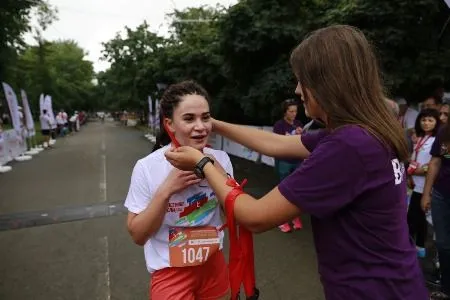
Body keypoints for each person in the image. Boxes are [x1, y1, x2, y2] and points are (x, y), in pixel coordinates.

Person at [165, 25, 429, 299]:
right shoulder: (366, 132)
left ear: (326, 83)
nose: (297, 89)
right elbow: (276, 144)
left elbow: (254, 216)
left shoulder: (349, 146)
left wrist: (204, 163)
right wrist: (212, 124)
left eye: (302, 80)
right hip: (398, 283)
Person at [124, 80, 232, 300]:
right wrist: (166, 191)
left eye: (206, 117)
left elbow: (238, 213)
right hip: (169, 271)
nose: (201, 127)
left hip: (213, 263)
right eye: (189, 118)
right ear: (169, 124)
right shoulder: (147, 167)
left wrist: (213, 169)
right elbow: (137, 234)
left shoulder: (221, 159)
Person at [422, 121, 450, 299]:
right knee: (443, 244)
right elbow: (435, 162)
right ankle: (446, 288)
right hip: (442, 195)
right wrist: (426, 194)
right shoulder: (445, 131)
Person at [407, 109, 440, 258]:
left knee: (415, 217)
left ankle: (416, 248)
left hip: (428, 185)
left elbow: (440, 160)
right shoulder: (419, 138)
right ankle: (419, 247)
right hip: (416, 183)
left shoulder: (438, 139)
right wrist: (411, 174)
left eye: (430, 120)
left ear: (436, 122)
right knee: (417, 218)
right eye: (424, 120)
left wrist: (422, 170)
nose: (426, 123)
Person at [273, 99, 303, 232]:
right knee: (284, 191)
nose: (294, 114)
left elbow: (303, 142)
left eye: (295, 111)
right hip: (284, 161)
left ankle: (295, 217)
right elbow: (275, 143)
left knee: (297, 189)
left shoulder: (299, 124)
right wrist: (289, 136)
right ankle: (282, 220)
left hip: (297, 161)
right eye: (291, 111)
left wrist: (301, 134)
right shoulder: (279, 125)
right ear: (285, 112)